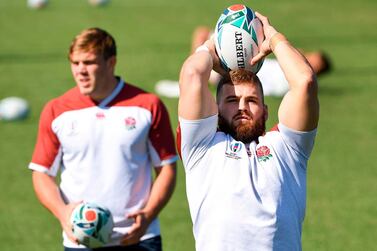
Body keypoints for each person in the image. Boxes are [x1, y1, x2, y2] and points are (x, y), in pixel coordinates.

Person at [177, 11, 319, 251]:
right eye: (232, 100)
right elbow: (192, 75)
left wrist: (273, 38)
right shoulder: (200, 147)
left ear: (265, 110)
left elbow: (304, 81)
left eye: (251, 100)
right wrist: (215, 45)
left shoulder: (288, 148)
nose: (241, 107)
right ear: (216, 109)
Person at [29, 27, 178, 251]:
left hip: (139, 238)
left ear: (111, 62)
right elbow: (41, 173)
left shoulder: (148, 105)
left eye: (89, 63)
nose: (81, 71)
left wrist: (147, 215)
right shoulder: (56, 110)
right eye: (75, 63)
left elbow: (167, 168)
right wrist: (63, 214)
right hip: (80, 241)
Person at [155, 26, 331, 98]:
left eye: (313, 60)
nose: (307, 57)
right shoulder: (293, 67)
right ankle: (192, 80)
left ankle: (189, 82)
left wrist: (274, 36)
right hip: (244, 64)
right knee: (202, 34)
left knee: (201, 37)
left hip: (237, 73)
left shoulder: (297, 79)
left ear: (316, 69)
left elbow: (304, 77)